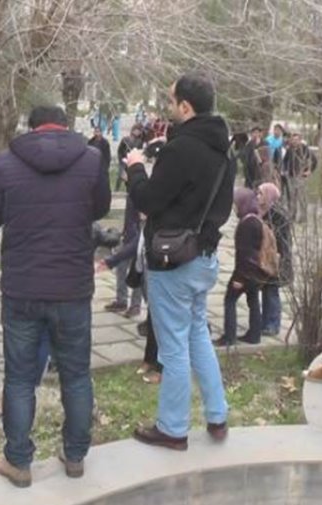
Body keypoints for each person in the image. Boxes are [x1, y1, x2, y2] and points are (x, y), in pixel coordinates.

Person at [0, 105, 111, 487]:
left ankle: (18, 461)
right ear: (65, 127)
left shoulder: (5, 163)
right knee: (76, 375)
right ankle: (75, 455)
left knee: (20, 378)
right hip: (72, 287)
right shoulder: (91, 159)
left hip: (22, 289)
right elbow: (99, 207)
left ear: (31, 127)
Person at [124, 73, 232, 451]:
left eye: (172, 102)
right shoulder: (224, 149)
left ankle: (172, 429)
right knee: (197, 334)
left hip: (173, 262)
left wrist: (136, 167)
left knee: (172, 349)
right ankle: (217, 415)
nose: (169, 109)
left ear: (186, 107)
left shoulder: (182, 149)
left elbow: (149, 200)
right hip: (204, 258)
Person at [213, 189, 267, 346]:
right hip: (257, 271)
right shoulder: (257, 220)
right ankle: (254, 334)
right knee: (253, 300)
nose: (235, 207)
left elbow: (244, 254)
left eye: (236, 204)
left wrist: (239, 278)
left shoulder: (246, 224)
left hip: (246, 272)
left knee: (229, 300)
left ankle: (229, 336)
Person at [97, 196, 142, 319]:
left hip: (139, 237)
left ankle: (135, 305)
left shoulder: (141, 186)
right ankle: (121, 300)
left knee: (137, 270)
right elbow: (130, 217)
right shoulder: (131, 191)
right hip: (128, 237)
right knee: (121, 267)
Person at [257, 183, 292, 337]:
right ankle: (265, 322)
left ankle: (273, 324)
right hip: (265, 257)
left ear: (269, 195)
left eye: (260, 193)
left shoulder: (277, 215)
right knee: (266, 289)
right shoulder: (262, 212)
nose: (257, 196)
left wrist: (278, 257)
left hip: (276, 258)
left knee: (272, 291)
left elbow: (283, 241)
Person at [282, 133, 317, 223]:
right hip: (291, 177)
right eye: (293, 140)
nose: (294, 141)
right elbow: (285, 161)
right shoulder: (290, 149)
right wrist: (285, 170)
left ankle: (303, 218)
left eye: (296, 139)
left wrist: (309, 171)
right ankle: (292, 216)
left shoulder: (305, 149)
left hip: (300, 177)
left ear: (300, 140)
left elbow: (314, 160)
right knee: (292, 198)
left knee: (301, 198)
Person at [116, 125, 144, 191]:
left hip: (132, 161)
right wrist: (121, 158)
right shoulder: (125, 139)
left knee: (130, 177)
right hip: (124, 160)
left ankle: (129, 191)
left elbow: (139, 152)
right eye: (136, 130)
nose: (137, 132)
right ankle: (116, 190)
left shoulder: (139, 142)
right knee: (121, 175)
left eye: (139, 131)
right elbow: (120, 150)